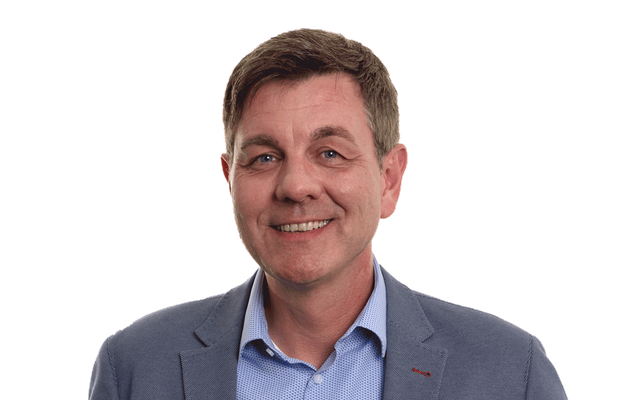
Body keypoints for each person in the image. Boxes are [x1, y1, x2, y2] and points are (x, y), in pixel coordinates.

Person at [87, 27, 569, 400]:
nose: (295, 186)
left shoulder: (511, 372)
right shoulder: (133, 369)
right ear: (230, 178)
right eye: (265, 157)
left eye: (330, 153)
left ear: (389, 178)